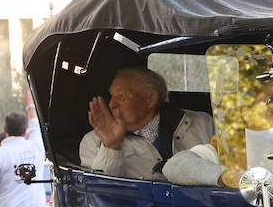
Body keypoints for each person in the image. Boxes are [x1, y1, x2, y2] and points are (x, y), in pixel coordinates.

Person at [79, 67, 217, 179]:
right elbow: (101, 195)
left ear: (150, 99)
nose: (112, 104)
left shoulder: (202, 123)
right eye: (112, 97)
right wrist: (111, 147)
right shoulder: (94, 141)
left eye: (121, 97)